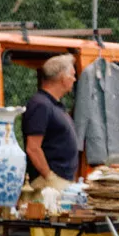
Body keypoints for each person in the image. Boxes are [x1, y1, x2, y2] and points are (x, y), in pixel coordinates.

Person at [23, 54, 80, 186]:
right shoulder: (40, 105)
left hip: (61, 180)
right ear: (62, 78)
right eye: (72, 75)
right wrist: (49, 177)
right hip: (48, 182)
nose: (74, 79)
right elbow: (33, 148)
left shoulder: (54, 105)